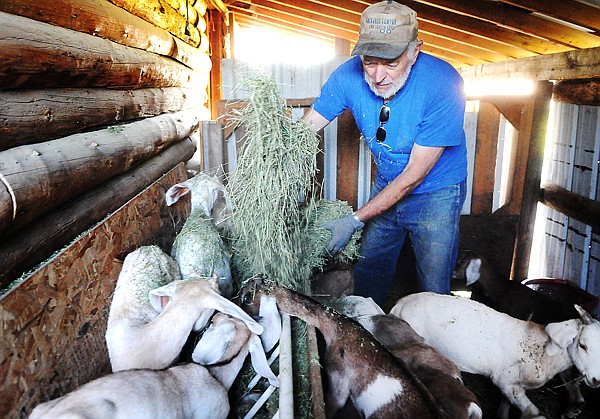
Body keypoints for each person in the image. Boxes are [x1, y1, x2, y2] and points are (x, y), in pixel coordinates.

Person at [303, 0, 468, 307]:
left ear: (414, 52)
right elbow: (306, 128)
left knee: (433, 285)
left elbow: (414, 175)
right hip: (389, 183)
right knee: (369, 269)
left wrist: (353, 220)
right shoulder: (346, 77)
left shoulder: (443, 84)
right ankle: (369, 333)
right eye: (369, 62)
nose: (378, 76)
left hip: (436, 192)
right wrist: (280, 151)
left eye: (391, 63)